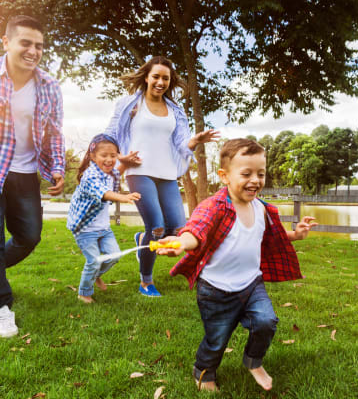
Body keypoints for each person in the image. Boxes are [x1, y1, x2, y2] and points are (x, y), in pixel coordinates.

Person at [157, 138, 317, 392]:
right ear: (224, 176)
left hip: (251, 284)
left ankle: (253, 361)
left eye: (260, 173)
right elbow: (197, 229)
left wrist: (296, 235)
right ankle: (204, 373)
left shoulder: (262, 209)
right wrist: (181, 242)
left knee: (266, 322)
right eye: (246, 173)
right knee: (216, 340)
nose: (255, 180)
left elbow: (270, 236)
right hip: (215, 290)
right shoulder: (214, 206)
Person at [104, 56, 220, 297]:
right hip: (139, 171)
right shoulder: (130, 104)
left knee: (178, 228)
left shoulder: (175, 111)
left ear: (170, 81)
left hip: (167, 172)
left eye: (165, 78)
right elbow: (111, 134)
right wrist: (121, 158)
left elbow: (180, 143)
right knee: (156, 228)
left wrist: (195, 141)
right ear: (146, 77)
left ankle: (141, 241)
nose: (160, 81)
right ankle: (146, 281)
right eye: (156, 76)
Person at [0, 16, 65, 337]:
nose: (33, 50)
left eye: (39, 45)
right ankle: (2, 306)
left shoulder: (50, 86)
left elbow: (54, 133)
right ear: (6, 43)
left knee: (29, 237)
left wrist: (57, 167)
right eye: (26, 42)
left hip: (26, 173)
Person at [67, 134, 141, 304]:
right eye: (104, 156)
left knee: (114, 255)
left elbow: (118, 171)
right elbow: (104, 193)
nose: (109, 160)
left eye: (113, 156)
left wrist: (125, 162)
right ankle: (84, 293)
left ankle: (95, 275)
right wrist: (123, 197)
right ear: (93, 157)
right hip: (85, 229)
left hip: (103, 228)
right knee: (93, 261)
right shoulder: (90, 176)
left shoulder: (108, 172)